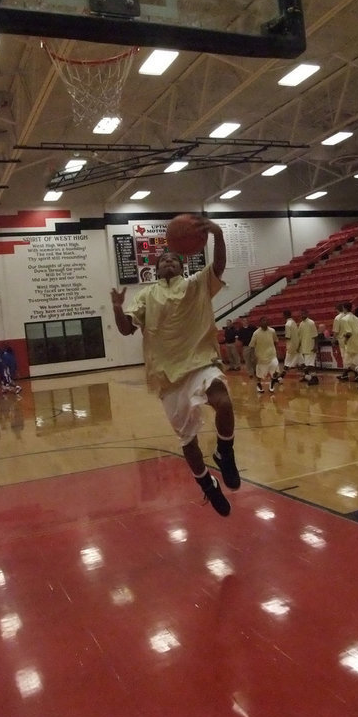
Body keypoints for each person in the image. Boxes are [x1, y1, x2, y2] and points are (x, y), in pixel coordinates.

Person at [110, 218, 239, 517]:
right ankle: (207, 485)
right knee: (188, 440)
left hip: (201, 362)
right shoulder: (146, 296)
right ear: (157, 270)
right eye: (163, 260)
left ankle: (225, 452)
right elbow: (126, 329)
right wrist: (117, 308)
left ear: (182, 266)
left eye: (173, 259)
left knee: (223, 401)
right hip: (168, 376)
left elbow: (219, 266)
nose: (168, 261)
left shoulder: (196, 284)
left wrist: (218, 234)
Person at [337, 303, 358, 390]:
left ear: (344, 308)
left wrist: (345, 340)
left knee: (349, 364)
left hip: (352, 345)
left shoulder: (344, 319)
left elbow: (348, 332)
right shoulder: (356, 318)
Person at [249, 316, 281, 394]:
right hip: (261, 358)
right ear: (260, 323)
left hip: (272, 356)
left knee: (276, 372)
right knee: (259, 375)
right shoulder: (256, 333)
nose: (265, 322)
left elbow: (276, 341)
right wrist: (253, 357)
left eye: (266, 320)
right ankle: (259, 384)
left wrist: (277, 351)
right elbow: (252, 346)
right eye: (263, 321)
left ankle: (272, 383)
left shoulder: (272, 331)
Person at [297, 308, 318, 385]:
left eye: (304, 314)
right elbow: (299, 336)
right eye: (301, 314)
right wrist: (298, 346)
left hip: (310, 347)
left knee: (310, 365)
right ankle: (306, 376)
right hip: (303, 347)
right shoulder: (301, 324)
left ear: (307, 314)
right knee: (305, 364)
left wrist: (315, 346)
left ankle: (315, 379)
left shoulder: (311, 323)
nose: (302, 315)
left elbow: (315, 336)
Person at [278, 309, 301, 380]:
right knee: (302, 361)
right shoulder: (293, 322)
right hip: (297, 345)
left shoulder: (287, 324)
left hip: (291, 346)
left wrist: (279, 338)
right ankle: (309, 376)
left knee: (287, 363)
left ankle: (281, 377)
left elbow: (288, 337)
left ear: (285, 315)